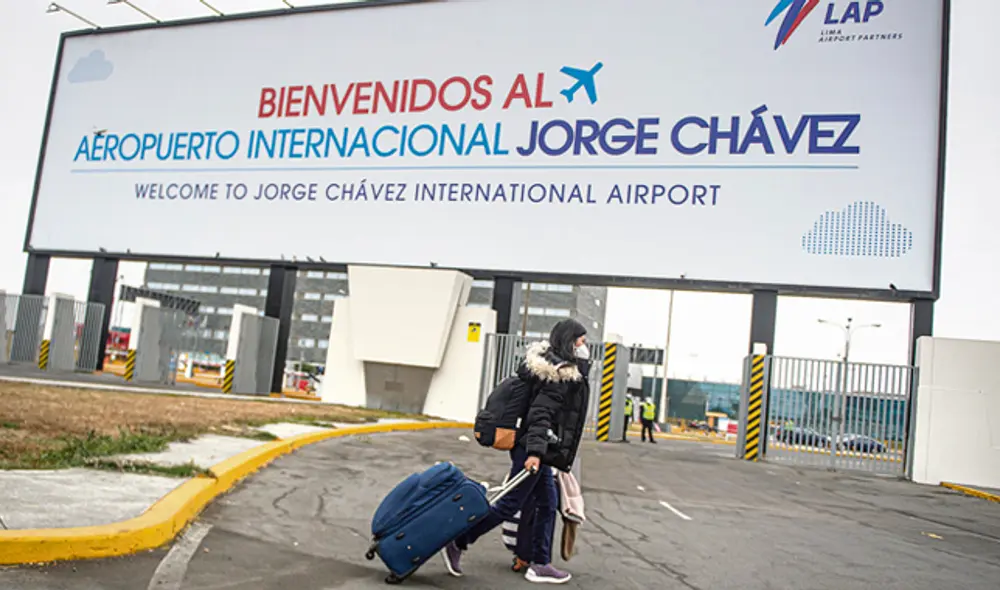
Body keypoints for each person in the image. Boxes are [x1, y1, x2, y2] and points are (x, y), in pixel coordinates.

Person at [444, 319, 591, 585]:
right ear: (570, 340)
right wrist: (535, 453)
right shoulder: (557, 373)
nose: (584, 345)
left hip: (538, 448)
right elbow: (540, 414)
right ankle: (459, 540)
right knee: (509, 504)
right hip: (532, 449)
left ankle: (540, 563)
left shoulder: (549, 365)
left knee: (547, 504)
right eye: (581, 339)